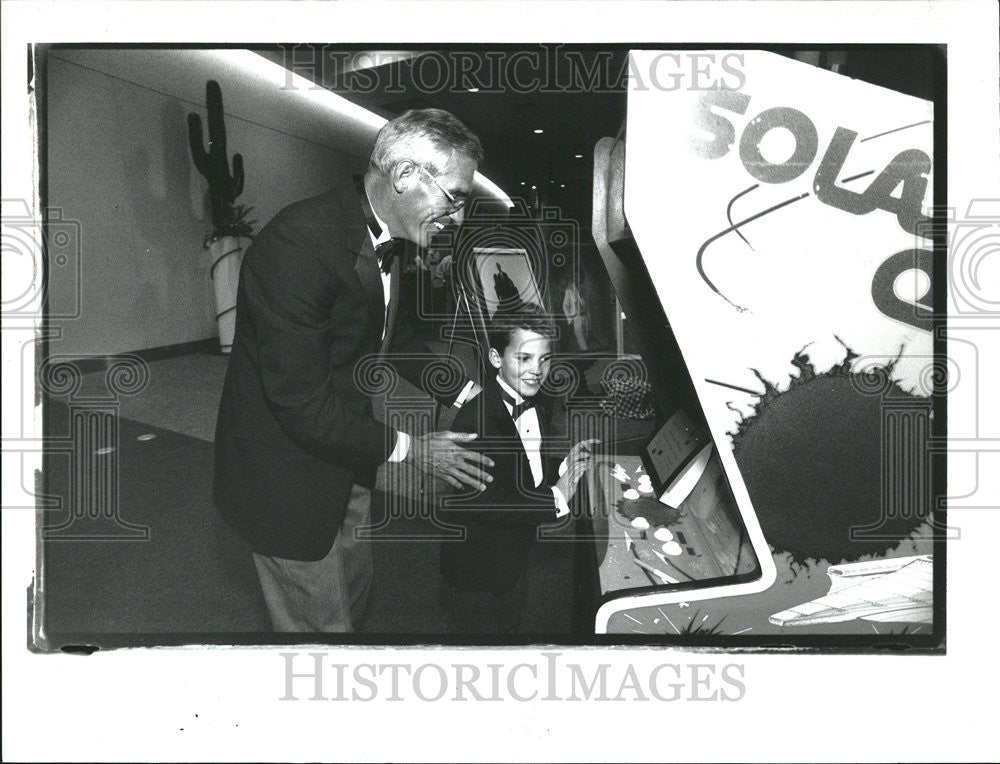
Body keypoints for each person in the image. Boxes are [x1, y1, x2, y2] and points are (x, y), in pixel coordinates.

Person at [213, 109, 494, 633]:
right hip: (286, 479)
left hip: (347, 455)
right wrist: (414, 450)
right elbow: (300, 405)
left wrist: (470, 388)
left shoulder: (394, 236)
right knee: (320, 634)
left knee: (354, 599)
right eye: (454, 197)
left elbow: (394, 334)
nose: (457, 215)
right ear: (407, 177)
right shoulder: (299, 244)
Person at [438, 305, 598, 634]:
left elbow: (527, 465)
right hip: (479, 570)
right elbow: (486, 504)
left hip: (514, 554)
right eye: (524, 358)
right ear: (496, 358)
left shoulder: (536, 401)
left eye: (544, 358)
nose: (537, 370)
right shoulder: (475, 422)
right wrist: (558, 496)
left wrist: (565, 465)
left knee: (511, 621)